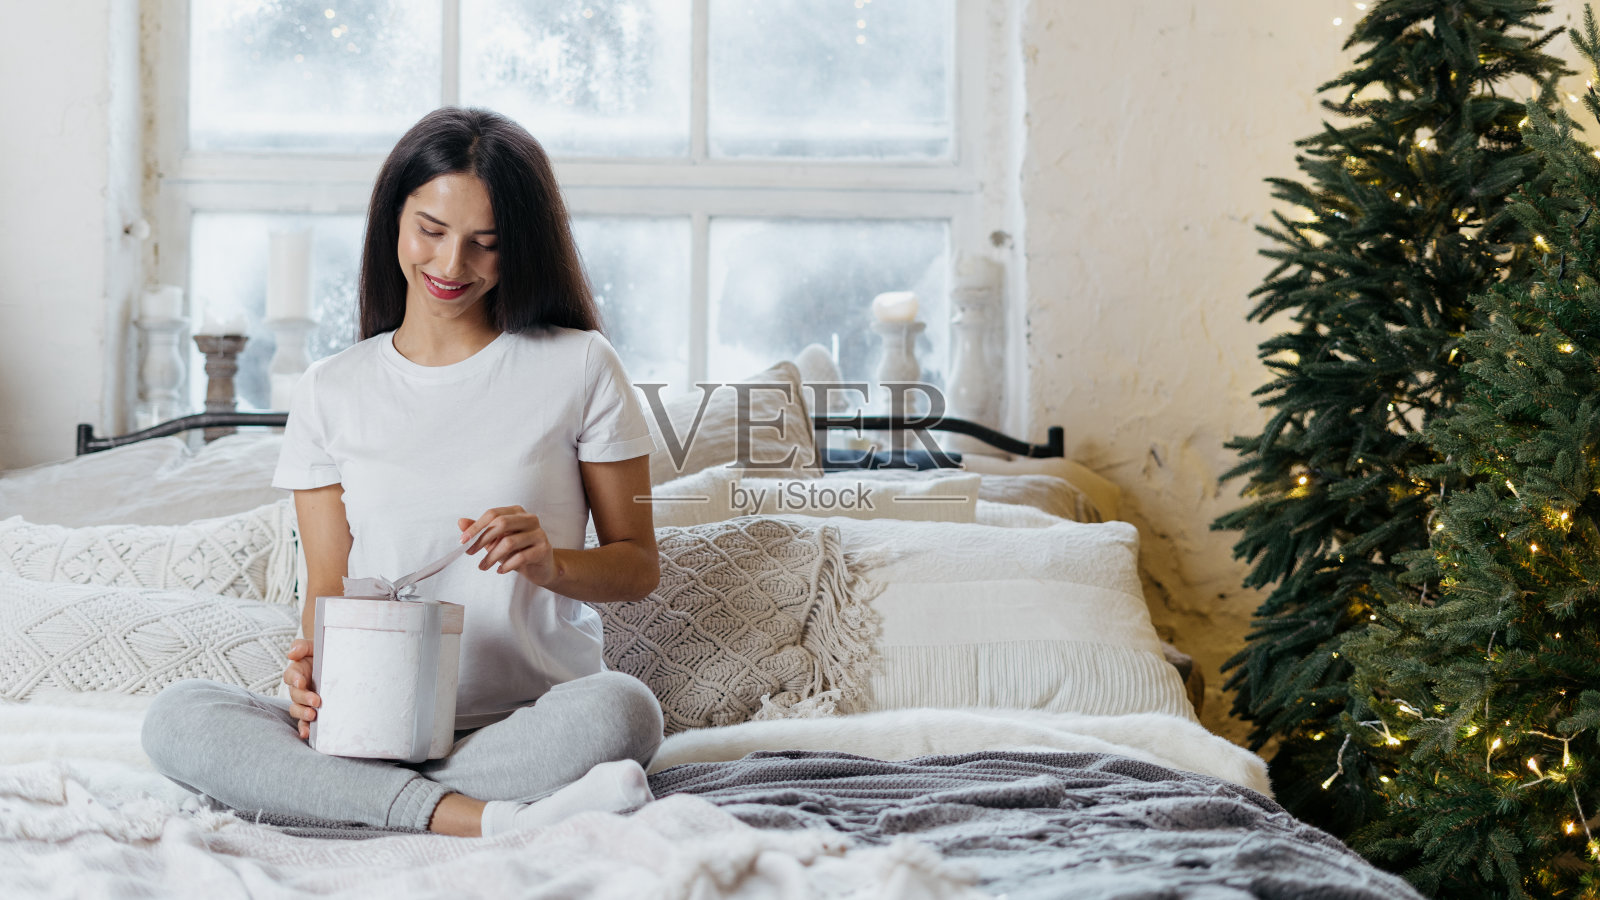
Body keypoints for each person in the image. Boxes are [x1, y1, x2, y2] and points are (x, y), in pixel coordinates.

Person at [141, 107, 666, 838]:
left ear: (522, 247)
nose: (452, 267)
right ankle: (479, 818)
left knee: (624, 710)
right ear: (393, 218)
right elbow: (327, 591)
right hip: (370, 732)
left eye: (487, 244)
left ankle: (368, 803)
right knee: (177, 717)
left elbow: (638, 567)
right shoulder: (330, 388)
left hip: (525, 725)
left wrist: (552, 563)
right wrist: (311, 681)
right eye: (431, 231)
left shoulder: (579, 365)